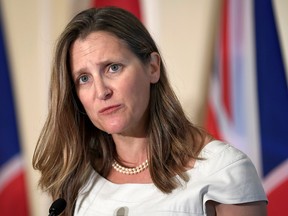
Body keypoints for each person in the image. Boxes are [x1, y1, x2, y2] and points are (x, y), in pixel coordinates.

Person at [33, 7, 267, 216]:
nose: (101, 91)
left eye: (113, 68)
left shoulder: (223, 168)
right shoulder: (75, 175)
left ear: (153, 68)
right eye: (84, 78)